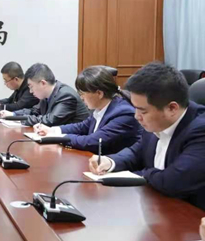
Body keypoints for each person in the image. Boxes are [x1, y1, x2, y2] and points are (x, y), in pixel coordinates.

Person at [88, 62, 205, 211]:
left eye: (143, 111)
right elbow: (137, 152)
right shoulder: (157, 122)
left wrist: (141, 175)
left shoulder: (200, 130)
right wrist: (111, 161)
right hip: (157, 206)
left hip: (190, 215)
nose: (136, 116)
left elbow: (174, 181)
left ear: (172, 108)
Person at [35, 66, 141, 154]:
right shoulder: (101, 108)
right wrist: (52, 130)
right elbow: (82, 127)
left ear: (99, 93)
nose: (81, 98)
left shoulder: (123, 113)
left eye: (82, 93)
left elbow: (93, 141)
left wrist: (59, 137)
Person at [2, 63, 89, 126]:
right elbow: (34, 111)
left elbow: (50, 120)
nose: (31, 91)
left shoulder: (66, 95)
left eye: (31, 87)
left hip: (74, 143)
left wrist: (22, 120)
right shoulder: (46, 96)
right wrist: (14, 115)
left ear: (43, 83)